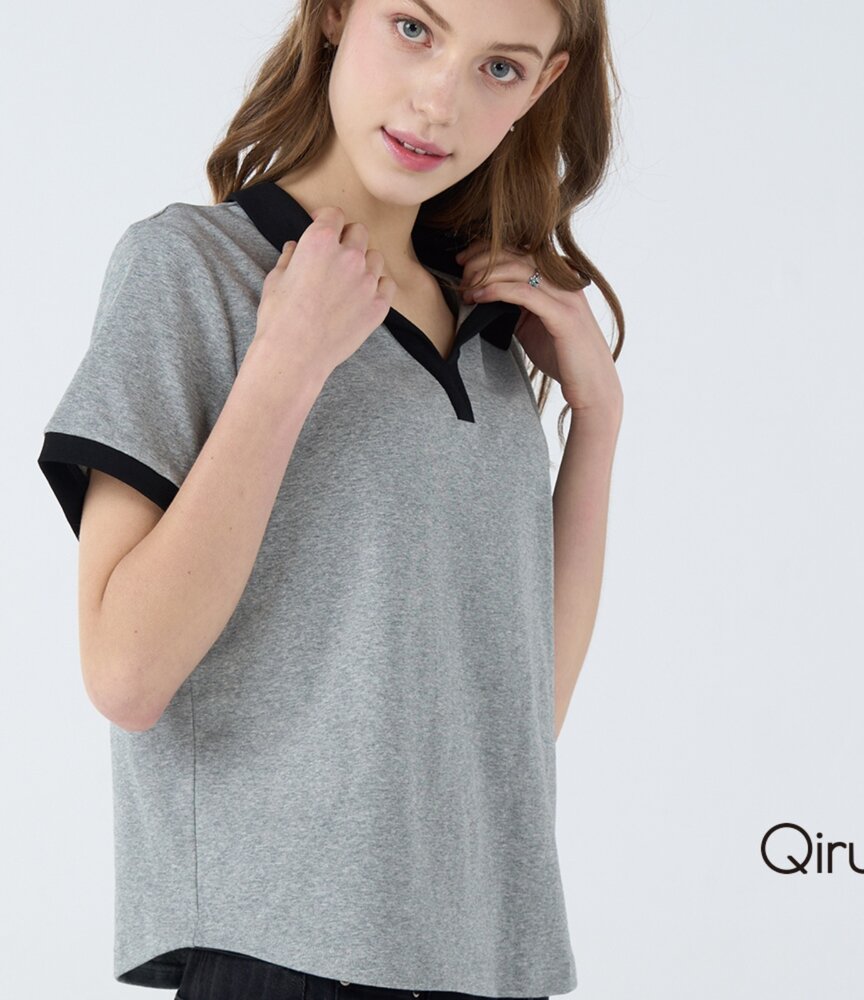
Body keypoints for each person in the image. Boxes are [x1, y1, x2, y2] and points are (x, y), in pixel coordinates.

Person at [36, 0, 625, 997]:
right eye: (415, 28)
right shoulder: (194, 270)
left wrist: (595, 423)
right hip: (282, 952)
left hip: (483, 957)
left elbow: (517, 720)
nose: (438, 101)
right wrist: (288, 362)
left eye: (499, 68)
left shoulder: (490, 326)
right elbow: (125, 674)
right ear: (337, 13)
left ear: (544, 85)